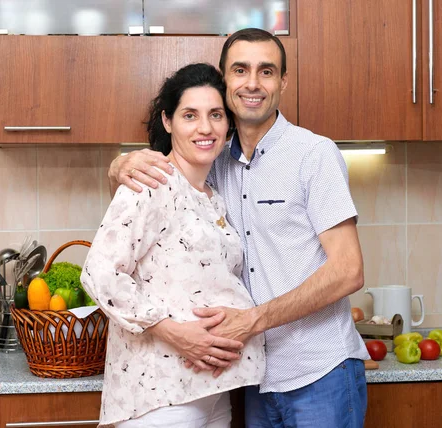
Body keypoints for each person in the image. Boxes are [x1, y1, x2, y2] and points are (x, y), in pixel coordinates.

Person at [108, 28, 370, 428]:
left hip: (320, 371)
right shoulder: (214, 161)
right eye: (240, 70)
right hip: (253, 379)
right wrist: (117, 168)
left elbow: (349, 270)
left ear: (283, 81)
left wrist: (253, 321)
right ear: (224, 78)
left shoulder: (313, 155)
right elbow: (154, 196)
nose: (252, 83)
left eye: (266, 72)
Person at [81, 63, 265, 428]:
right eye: (190, 115)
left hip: (212, 393)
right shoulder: (151, 181)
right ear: (168, 121)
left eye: (215, 115)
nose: (205, 128)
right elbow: (99, 274)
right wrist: (174, 332)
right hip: (160, 398)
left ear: (227, 124)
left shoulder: (213, 196)